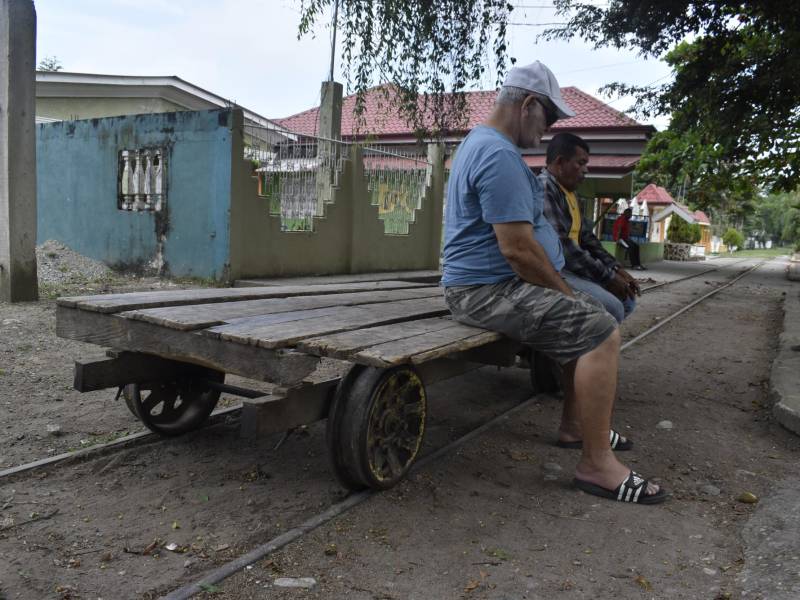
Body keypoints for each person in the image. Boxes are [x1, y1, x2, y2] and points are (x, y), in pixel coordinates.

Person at [441, 60, 667, 504]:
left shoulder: (484, 144)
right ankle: (597, 466)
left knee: (587, 316)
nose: (549, 130)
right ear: (528, 105)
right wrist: (565, 294)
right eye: (550, 117)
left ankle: (576, 427)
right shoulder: (498, 154)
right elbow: (518, 250)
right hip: (484, 292)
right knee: (599, 329)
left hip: (485, 285)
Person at [541, 132, 639, 324]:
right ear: (560, 162)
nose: (586, 170)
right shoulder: (545, 188)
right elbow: (564, 247)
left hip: (573, 269)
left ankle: (581, 349)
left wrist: (616, 268)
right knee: (614, 307)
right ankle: (576, 350)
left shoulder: (570, 194)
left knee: (627, 301)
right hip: (556, 270)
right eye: (581, 163)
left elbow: (588, 239)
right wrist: (607, 278)